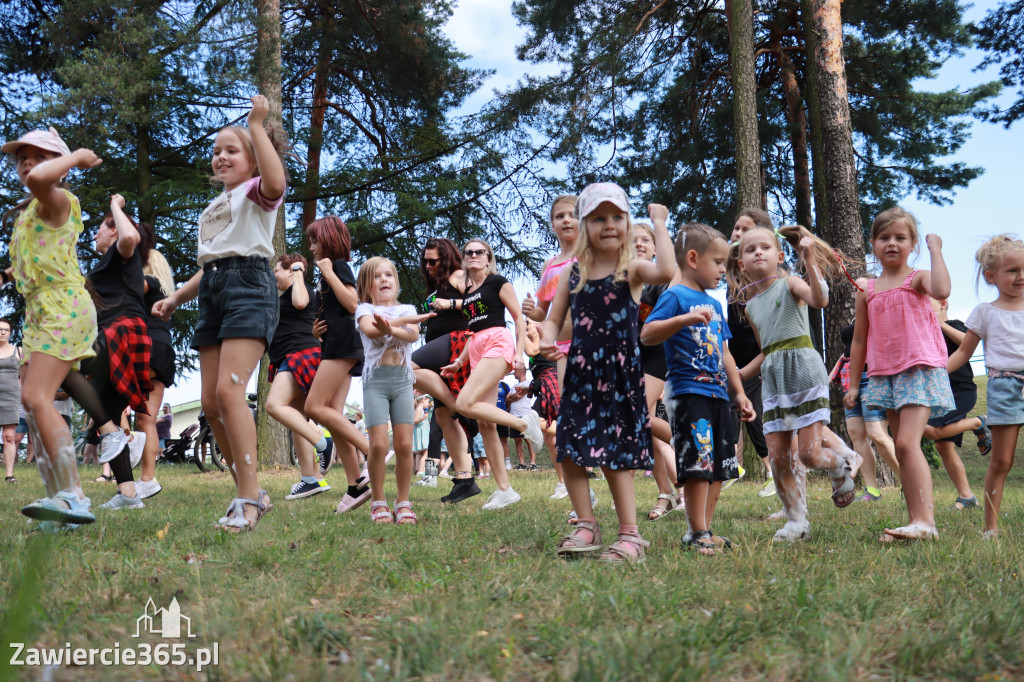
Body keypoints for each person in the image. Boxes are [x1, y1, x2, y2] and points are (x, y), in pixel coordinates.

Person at [153, 95, 286, 532]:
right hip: (214, 290)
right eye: (216, 151)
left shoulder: (257, 192)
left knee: (231, 392)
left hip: (250, 287)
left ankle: (248, 498)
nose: (221, 156)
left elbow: (277, 181)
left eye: (233, 149)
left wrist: (257, 125)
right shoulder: (213, 207)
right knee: (211, 404)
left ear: (252, 159)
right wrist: (175, 299)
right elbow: (209, 265)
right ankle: (249, 491)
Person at [541, 183, 676, 562]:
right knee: (568, 449)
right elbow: (554, 321)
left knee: (614, 454)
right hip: (582, 373)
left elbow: (666, 269)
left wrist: (659, 224)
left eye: (617, 216)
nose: (610, 224)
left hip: (619, 373)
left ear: (627, 222)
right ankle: (586, 525)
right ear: (585, 225)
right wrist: (546, 340)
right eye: (599, 218)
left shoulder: (630, 268)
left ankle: (630, 535)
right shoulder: (573, 272)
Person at [1, 126, 125, 527]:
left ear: (60, 168)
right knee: (34, 405)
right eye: (22, 158)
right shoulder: (29, 214)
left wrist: (76, 156)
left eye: (39, 157)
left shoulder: (57, 200)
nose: (28, 166)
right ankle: (61, 499)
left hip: (64, 307)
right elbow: (30, 262)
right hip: (39, 310)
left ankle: (73, 495)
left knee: (37, 396)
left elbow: (41, 179)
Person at [731, 223, 862, 542]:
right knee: (777, 457)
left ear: (778, 254)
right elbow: (766, 351)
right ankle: (796, 522)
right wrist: (735, 379)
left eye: (764, 247)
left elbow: (820, 299)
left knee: (808, 454)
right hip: (774, 381)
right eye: (750, 249)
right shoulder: (750, 307)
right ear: (741, 265)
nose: (757, 252)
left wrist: (810, 260)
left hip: (803, 371)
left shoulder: (790, 283)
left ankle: (839, 465)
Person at [643, 222, 755, 555]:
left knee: (721, 466)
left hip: (719, 396)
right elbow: (648, 333)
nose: (724, 269)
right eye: (718, 262)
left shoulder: (716, 305)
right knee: (697, 464)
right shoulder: (675, 296)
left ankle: (704, 528)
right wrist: (683, 320)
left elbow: (725, 353)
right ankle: (696, 531)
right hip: (688, 394)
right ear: (693, 258)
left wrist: (739, 392)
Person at [844, 207, 953, 542]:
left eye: (900, 238)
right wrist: (852, 384)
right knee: (902, 448)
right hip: (884, 375)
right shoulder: (868, 290)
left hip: (918, 369)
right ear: (873, 244)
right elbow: (860, 339)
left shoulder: (916, 278)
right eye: (883, 237)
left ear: (912, 244)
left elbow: (942, 288)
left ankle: (926, 522)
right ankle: (915, 522)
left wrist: (936, 249)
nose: (891, 243)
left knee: (906, 442)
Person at [440, 239, 544, 510]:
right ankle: (504, 489)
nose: (474, 255)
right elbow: (473, 331)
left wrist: (520, 353)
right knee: (486, 425)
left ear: (488, 258)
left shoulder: (498, 282)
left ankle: (524, 424)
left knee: (464, 403)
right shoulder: (469, 290)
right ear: (465, 259)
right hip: (476, 349)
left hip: (498, 343)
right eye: (469, 252)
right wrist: (459, 360)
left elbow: (519, 319)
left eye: (479, 252)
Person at [947, 234, 1024, 538]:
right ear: (991, 276)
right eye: (1013, 270)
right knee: (1002, 460)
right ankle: (989, 527)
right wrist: (937, 373)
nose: (1021, 276)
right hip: (1004, 387)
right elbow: (964, 352)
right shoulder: (985, 312)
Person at [86, 194, 156, 510]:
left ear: (112, 230)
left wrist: (116, 205)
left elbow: (129, 235)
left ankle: (125, 488)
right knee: (110, 418)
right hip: (116, 332)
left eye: (100, 228)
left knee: (70, 378)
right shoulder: (107, 262)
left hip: (121, 332)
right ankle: (128, 494)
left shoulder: (121, 250)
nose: (95, 234)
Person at [301, 216, 373, 513]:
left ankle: (374, 452)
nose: (311, 247)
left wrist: (330, 273)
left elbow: (354, 304)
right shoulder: (326, 271)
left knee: (314, 408)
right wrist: (316, 332)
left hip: (344, 345)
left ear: (329, 240)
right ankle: (356, 484)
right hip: (334, 343)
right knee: (332, 413)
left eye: (315, 241)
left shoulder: (338, 266)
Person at [354, 257, 432, 523]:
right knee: (376, 444)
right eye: (377, 276)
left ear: (395, 282)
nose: (384, 280)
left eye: (388, 275)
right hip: (375, 381)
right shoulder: (363, 308)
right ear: (366, 284)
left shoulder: (407, 307)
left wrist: (394, 326)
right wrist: (391, 326)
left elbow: (412, 335)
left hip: (402, 381)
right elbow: (370, 329)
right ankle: (378, 501)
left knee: (404, 444)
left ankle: (403, 501)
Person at [264, 254, 333, 500]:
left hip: (299, 356)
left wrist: (298, 271)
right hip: (286, 357)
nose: (274, 275)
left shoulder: (301, 289)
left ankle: (322, 440)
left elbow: (302, 302)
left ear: (291, 270)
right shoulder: (282, 296)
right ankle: (310, 479)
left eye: (277, 270)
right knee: (297, 421)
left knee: (274, 405)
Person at [415, 237, 477, 503]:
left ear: (447, 258)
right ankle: (464, 480)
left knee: (408, 368)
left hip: (457, 343)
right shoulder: (439, 285)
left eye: (433, 261)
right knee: (441, 418)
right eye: (425, 261)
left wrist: (450, 305)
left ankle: (461, 408)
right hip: (440, 348)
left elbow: (480, 305)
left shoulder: (460, 274)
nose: (428, 265)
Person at [523, 195, 578, 497]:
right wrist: (533, 311)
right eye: (560, 216)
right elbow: (545, 313)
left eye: (573, 214)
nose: (567, 220)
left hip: (594, 344)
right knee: (569, 417)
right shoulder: (551, 264)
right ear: (552, 224)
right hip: (563, 349)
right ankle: (577, 489)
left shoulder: (591, 256)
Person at [634, 221, 682, 520]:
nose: (639, 244)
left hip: (657, 353)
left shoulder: (663, 278)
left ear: (655, 247)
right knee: (643, 424)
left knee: (638, 415)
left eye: (645, 240)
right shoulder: (618, 278)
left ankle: (697, 450)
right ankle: (667, 493)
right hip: (628, 355)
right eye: (633, 240)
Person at [728, 209, 774, 498]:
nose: (736, 234)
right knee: (736, 411)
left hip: (762, 359)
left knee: (757, 419)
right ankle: (732, 464)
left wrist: (744, 371)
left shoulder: (763, 276)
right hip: (738, 359)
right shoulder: (733, 274)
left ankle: (774, 473)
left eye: (745, 229)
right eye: (736, 228)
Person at [923, 297, 984, 509]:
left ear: (942, 302)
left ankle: (979, 422)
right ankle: (967, 497)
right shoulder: (928, 334)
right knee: (943, 446)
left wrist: (940, 324)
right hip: (941, 394)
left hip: (962, 392)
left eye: (926, 300)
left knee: (929, 429)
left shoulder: (954, 324)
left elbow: (967, 343)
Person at [835, 320, 899, 501]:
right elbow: (848, 351)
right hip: (852, 378)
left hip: (874, 376)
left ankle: (909, 484)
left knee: (877, 433)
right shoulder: (859, 314)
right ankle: (872, 490)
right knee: (856, 434)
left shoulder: (881, 307)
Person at [135, 245, 177, 498]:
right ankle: (147, 479)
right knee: (146, 420)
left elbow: (131, 289)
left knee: (116, 397)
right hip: (162, 352)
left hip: (146, 348)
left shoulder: (148, 281)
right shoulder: (163, 287)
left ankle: (120, 463)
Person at [0, 319, 23, 483]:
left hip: (11, 398)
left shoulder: (19, 351)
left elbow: (24, 377)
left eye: (5, 330)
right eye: (0, 329)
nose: (2, 332)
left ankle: (9, 475)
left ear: (10, 332)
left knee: (9, 436)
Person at [505, 364, 537, 470]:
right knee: (517, 440)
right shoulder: (513, 386)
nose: (513, 373)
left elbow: (519, 396)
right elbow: (507, 399)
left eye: (515, 371)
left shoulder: (529, 384)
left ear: (521, 371)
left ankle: (533, 464)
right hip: (514, 416)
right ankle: (522, 464)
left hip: (525, 415)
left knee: (529, 439)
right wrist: (513, 396)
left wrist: (513, 396)